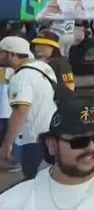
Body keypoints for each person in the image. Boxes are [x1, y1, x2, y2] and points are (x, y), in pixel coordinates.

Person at [0, 36, 57, 178]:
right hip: (52, 132)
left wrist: (7, 144)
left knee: (34, 180)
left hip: (33, 139)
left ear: (11, 54)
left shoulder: (21, 77)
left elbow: (20, 111)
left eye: (1, 52)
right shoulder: (43, 67)